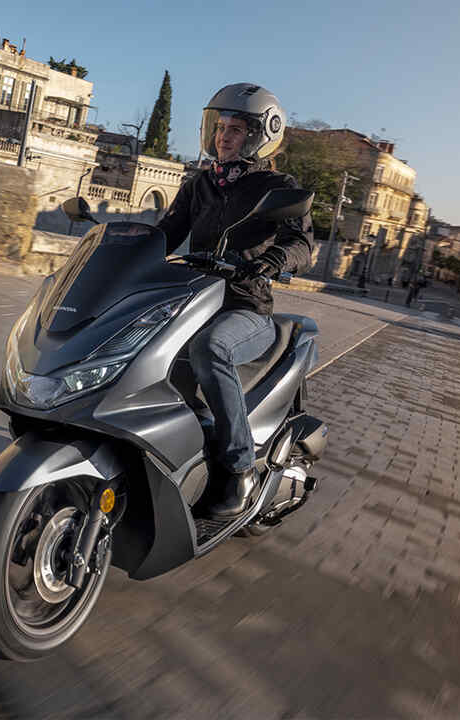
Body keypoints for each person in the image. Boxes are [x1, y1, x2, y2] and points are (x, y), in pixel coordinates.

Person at [157, 83, 314, 519]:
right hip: (194, 298)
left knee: (210, 348)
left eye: (236, 129)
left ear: (261, 136)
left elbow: (302, 242)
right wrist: (123, 245)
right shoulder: (200, 184)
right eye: (219, 127)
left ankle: (239, 467)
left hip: (245, 305)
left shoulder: (277, 186)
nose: (223, 137)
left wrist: (272, 262)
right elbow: (165, 232)